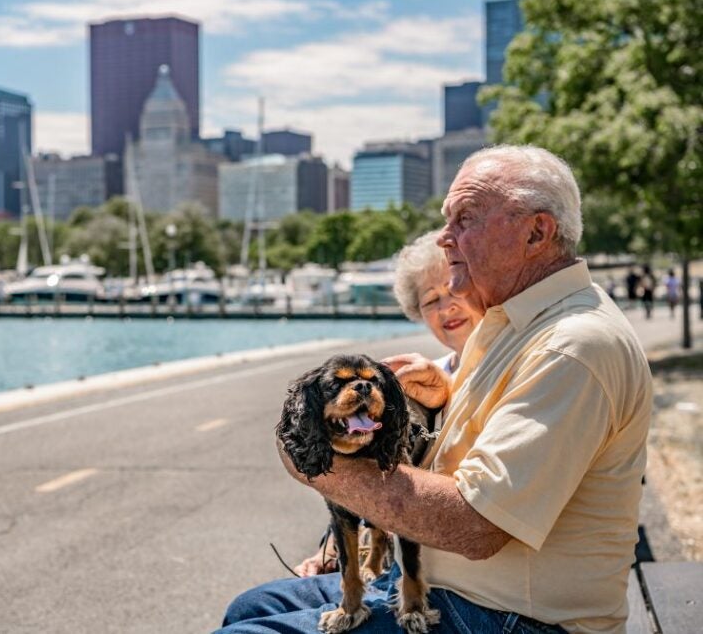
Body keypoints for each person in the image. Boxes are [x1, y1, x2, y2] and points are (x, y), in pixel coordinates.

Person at [218, 145, 651, 634]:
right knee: (250, 607)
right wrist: (443, 393)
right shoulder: (517, 324)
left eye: (464, 219)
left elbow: (476, 524)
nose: (445, 240)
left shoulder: (571, 346)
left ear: (537, 232)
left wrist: (318, 462)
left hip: (513, 617)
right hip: (448, 585)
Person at [292, 231, 483, 577]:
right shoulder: (417, 378)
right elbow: (364, 470)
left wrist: (450, 390)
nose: (446, 307)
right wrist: (331, 549)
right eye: (430, 300)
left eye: (454, 289)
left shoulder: (503, 370)